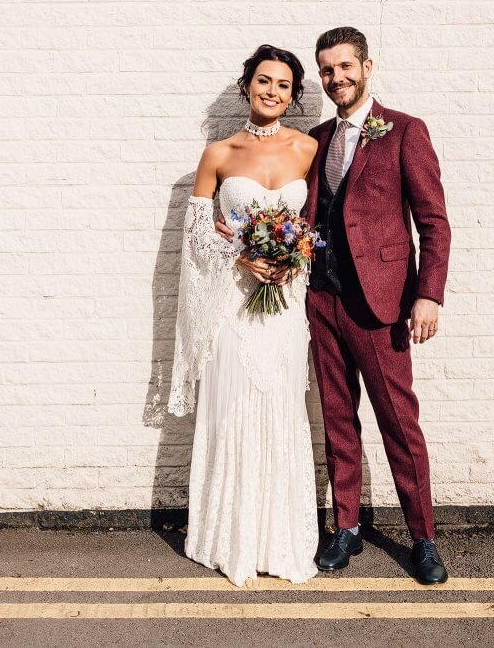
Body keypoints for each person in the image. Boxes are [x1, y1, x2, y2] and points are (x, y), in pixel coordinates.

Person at [218, 27, 452, 584]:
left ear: (367, 67)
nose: (336, 78)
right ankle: (346, 527)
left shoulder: (404, 132)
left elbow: (434, 222)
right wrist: (245, 242)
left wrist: (427, 294)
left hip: (383, 305)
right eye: (326, 71)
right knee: (338, 420)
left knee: (399, 422)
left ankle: (422, 538)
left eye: (345, 67)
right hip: (319, 300)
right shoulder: (315, 139)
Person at [167, 45, 320, 587]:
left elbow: (319, 225)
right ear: (246, 86)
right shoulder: (218, 153)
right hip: (232, 304)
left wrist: (294, 253)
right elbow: (196, 236)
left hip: (284, 308)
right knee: (233, 407)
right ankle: (229, 535)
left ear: (294, 95)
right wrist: (241, 255)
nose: (272, 91)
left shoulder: (308, 150)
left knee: (279, 408)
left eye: (283, 84)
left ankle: (276, 537)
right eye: (263, 81)